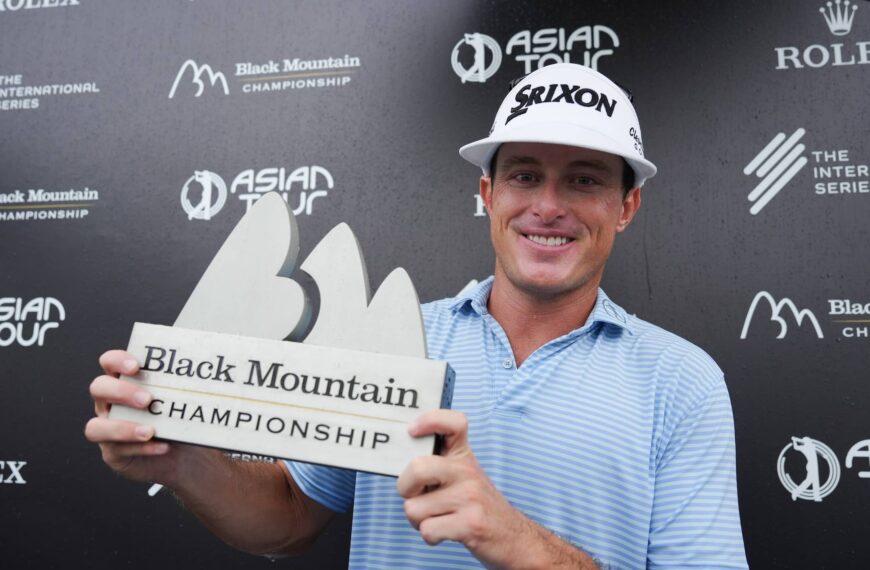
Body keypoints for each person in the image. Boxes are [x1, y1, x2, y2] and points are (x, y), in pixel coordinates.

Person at [86, 63, 748, 569]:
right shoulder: (398, 339)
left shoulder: (681, 381)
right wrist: (182, 460)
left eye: (584, 179)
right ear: (488, 195)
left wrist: (509, 536)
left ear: (626, 208)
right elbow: (286, 518)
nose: (548, 205)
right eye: (523, 176)